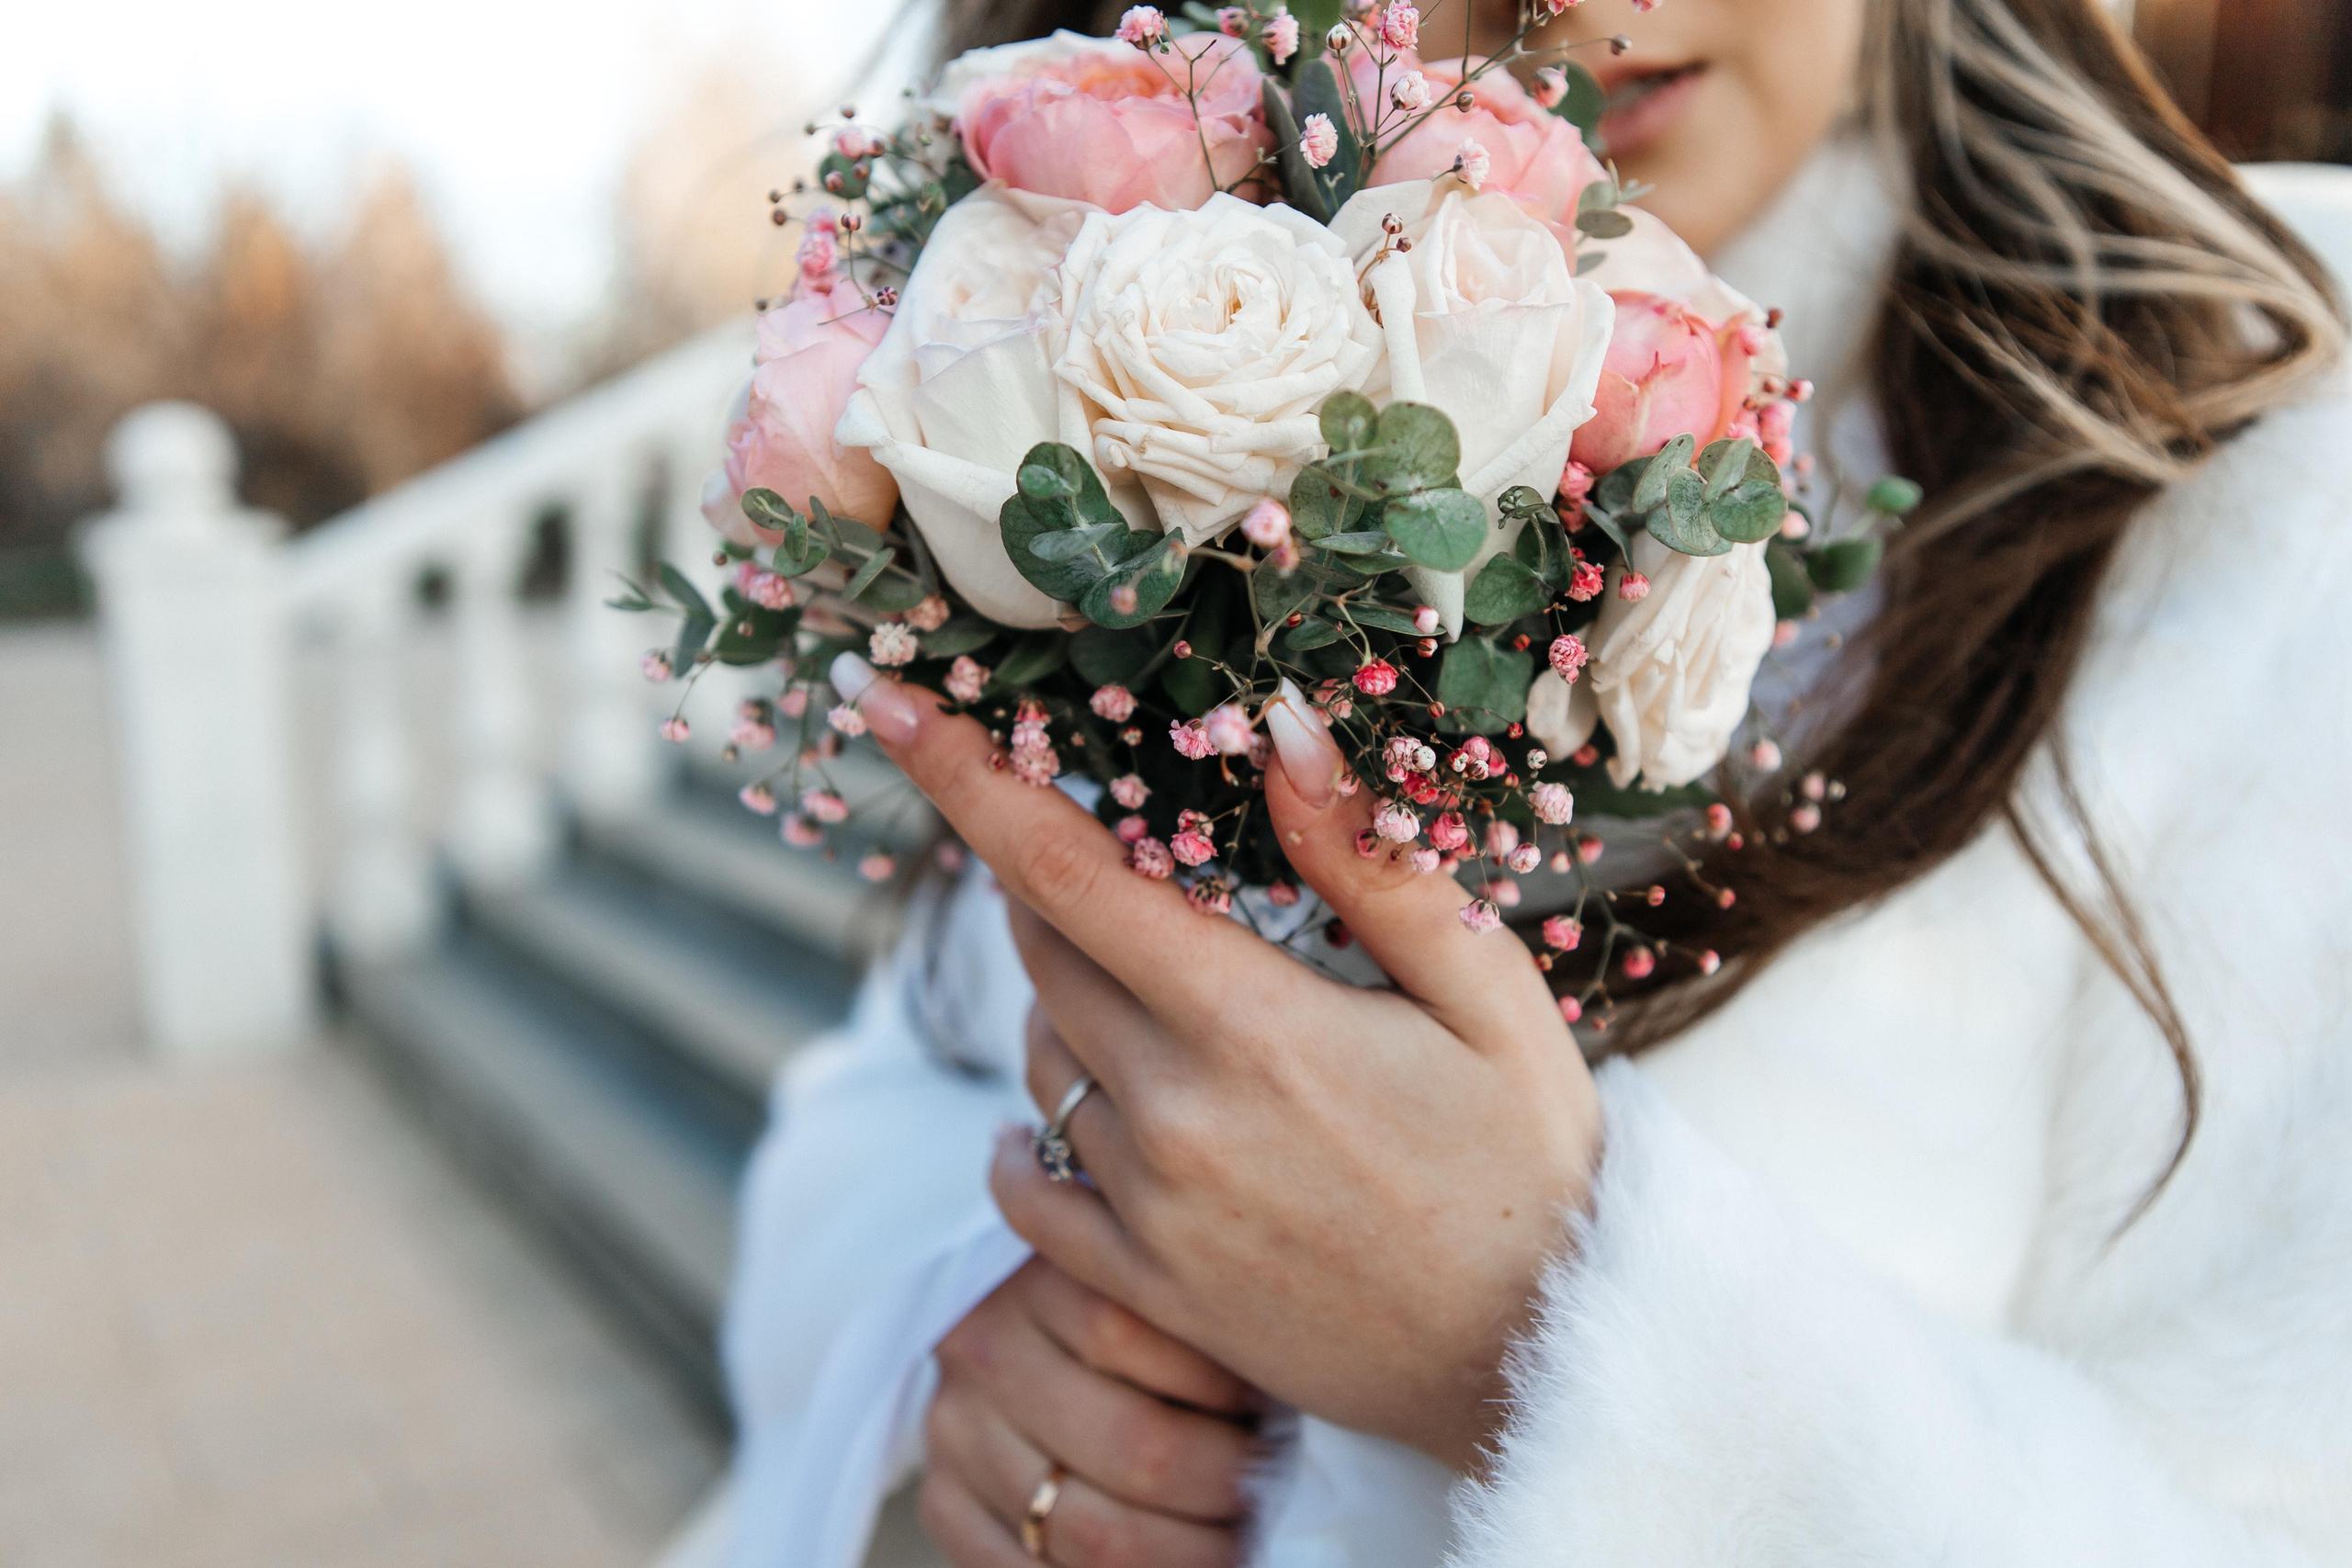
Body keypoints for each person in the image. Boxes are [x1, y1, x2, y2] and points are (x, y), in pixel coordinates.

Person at [724, 0, 2352, 1562]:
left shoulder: (2275, 456)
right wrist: (970, 1341)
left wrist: (1528, 1336)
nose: (1562, 2)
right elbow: (888, 1099)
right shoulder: (1126, 447)